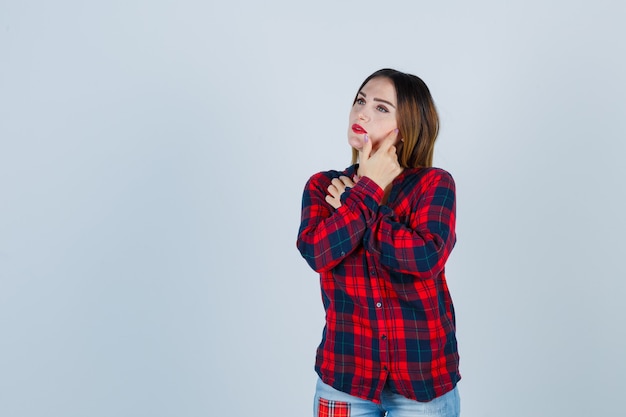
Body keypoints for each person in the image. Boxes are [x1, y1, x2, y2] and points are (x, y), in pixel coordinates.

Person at [296, 68, 461, 417]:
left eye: (382, 107)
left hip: (422, 384)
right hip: (345, 378)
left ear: (408, 126)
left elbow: (425, 258)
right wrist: (368, 190)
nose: (362, 112)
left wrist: (355, 206)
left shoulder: (434, 185)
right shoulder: (322, 187)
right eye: (360, 100)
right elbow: (318, 252)